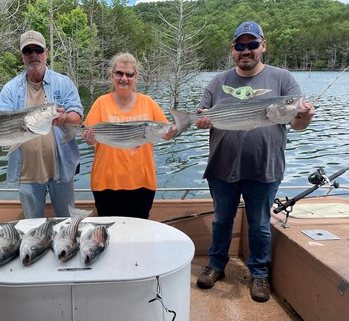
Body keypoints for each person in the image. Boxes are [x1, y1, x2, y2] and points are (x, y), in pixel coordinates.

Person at [195, 21, 315, 302]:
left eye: (251, 44)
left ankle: (259, 272)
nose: (245, 51)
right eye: (240, 45)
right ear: (233, 50)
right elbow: (204, 113)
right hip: (222, 166)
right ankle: (216, 265)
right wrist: (200, 120)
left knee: (260, 223)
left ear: (263, 45)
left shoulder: (282, 79)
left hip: (265, 167)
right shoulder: (217, 81)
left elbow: (297, 124)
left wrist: (304, 115)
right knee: (221, 220)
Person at [0, 30, 83, 218]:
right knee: (32, 226)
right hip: (27, 173)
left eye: (38, 49)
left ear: (46, 53)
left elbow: (77, 116)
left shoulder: (64, 83)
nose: (33, 54)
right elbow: (0, 125)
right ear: (22, 56)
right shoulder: (10, 89)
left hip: (62, 168)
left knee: (67, 223)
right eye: (28, 51)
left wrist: (64, 119)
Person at [81, 52, 176, 219]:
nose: (124, 78)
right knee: (110, 235)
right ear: (112, 76)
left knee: (137, 235)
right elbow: (90, 138)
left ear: (135, 77)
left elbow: (166, 134)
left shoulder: (148, 102)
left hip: (142, 184)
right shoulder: (101, 103)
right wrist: (88, 138)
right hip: (106, 183)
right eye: (119, 73)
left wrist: (174, 130)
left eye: (129, 74)